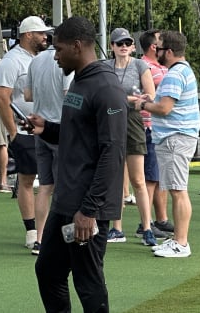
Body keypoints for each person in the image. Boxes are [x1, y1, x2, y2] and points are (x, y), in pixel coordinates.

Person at [30, 16, 126, 312]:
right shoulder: (80, 81)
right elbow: (78, 135)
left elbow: (112, 153)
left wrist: (90, 211)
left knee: (88, 282)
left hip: (86, 208)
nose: (55, 56)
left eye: (58, 49)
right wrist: (47, 128)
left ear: (77, 45)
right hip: (66, 203)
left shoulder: (106, 88)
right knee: (48, 271)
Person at [136, 30, 200, 257]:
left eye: (159, 48)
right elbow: (164, 103)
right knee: (176, 189)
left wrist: (142, 105)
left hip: (175, 137)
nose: (156, 51)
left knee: (178, 190)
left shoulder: (174, 74)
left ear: (169, 52)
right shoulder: (181, 70)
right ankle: (178, 239)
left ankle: (181, 243)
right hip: (177, 136)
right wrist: (150, 101)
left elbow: (164, 109)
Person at [0, 15, 50, 250]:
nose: (45, 37)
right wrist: (13, 133)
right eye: (41, 33)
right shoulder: (11, 61)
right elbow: (2, 97)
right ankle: (32, 231)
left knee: (49, 182)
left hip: (47, 129)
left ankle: (46, 229)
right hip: (24, 132)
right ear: (29, 35)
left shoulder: (44, 59)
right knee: (27, 180)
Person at [105, 28, 158, 247]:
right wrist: (128, 98)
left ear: (133, 46)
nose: (123, 46)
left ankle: (147, 227)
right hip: (110, 122)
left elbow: (150, 96)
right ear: (112, 46)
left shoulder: (139, 65)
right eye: (119, 43)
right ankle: (116, 228)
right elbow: (105, 95)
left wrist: (122, 99)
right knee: (115, 179)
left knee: (138, 180)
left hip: (134, 122)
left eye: (127, 42)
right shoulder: (105, 67)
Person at [24, 36, 73, 255]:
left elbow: (27, 94)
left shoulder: (35, 61)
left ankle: (40, 238)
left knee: (45, 187)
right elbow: (68, 94)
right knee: (65, 186)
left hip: (39, 128)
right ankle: (61, 238)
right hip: (59, 129)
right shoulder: (63, 62)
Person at [138, 29, 174, 235]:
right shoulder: (145, 67)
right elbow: (150, 96)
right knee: (150, 176)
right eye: (161, 41)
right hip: (148, 126)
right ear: (154, 47)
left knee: (158, 176)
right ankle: (147, 222)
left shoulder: (163, 66)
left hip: (160, 128)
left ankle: (161, 219)